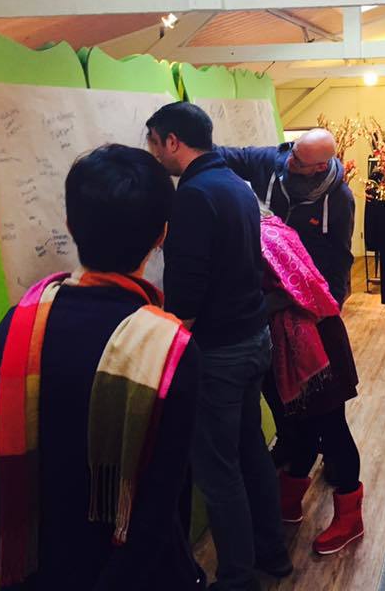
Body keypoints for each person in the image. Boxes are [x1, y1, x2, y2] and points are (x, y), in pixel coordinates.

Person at [0, 144, 204, 590]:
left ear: (70, 224)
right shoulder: (170, 349)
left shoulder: (19, 327)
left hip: (37, 571)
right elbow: (158, 510)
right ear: (161, 235)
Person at [146, 102, 288, 591]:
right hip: (252, 339)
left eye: (154, 142)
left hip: (219, 352)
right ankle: (273, 554)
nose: (153, 154)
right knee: (251, 451)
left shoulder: (192, 196)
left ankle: (237, 579)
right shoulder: (235, 185)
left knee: (218, 470)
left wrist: (162, 349)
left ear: (172, 142)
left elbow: (187, 295)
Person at [259, 213, 364, 555]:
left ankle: (350, 518)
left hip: (315, 347)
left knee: (332, 430)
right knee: (300, 428)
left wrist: (245, 308)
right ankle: (287, 502)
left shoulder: (262, 239)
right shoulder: (271, 230)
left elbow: (293, 290)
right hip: (305, 341)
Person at [216, 128, 355, 307]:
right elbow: (229, 156)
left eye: (298, 162)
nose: (290, 161)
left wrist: (334, 304)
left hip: (305, 289)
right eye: (293, 152)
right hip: (262, 280)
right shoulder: (268, 161)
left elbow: (340, 255)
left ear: (321, 166)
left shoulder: (340, 199)